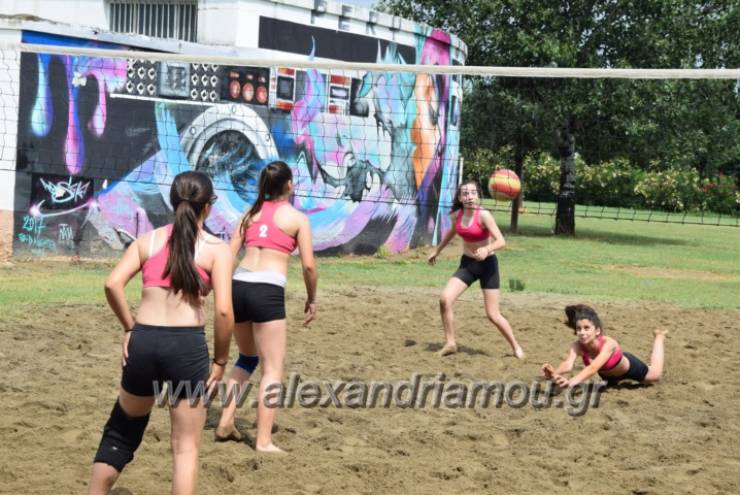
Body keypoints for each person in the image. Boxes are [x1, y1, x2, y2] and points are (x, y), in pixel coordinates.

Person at [88, 171, 233, 494]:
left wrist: (130, 327)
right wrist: (221, 361)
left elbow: (112, 284)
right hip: (186, 347)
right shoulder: (215, 249)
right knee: (185, 449)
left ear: (172, 202)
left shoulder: (148, 241)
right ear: (208, 207)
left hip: (144, 341)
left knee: (121, 432)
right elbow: (224, 311)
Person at [215, 160, 317, 453]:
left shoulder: (249, 213)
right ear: (289, 185)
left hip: (238, 286)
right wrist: (312, 299)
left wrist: (216, 289)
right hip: (267, 290)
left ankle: (225, 422)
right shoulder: (297, 218)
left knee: (247, 358)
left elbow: (227, 254)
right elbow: (309, 266)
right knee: (272, 369)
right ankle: (263, 441)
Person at [427, 180, 524, 359]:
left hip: (488, 266)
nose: (469, 196)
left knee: (493, 314)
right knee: (444, 299)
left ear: (478, 196)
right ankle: (450, 343)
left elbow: (502, 241)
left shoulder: (484, 215)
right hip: (468, 265)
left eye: (473, 193)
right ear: (460, 197)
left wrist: (486, 249)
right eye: (465, 193)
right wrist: (437, 251)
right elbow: (452, 232)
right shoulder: (457, 215)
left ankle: (516, 346)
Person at [542, 304, 667, 388]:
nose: (582, 332)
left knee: (655, 375)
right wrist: (554, 373)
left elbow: (593, 368)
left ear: (597, 330)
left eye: (586, 328)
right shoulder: (577, 345)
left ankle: (659, 337)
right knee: (612, 385)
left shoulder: (609, 344)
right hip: (609, 377)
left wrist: (570, 383)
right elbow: (568, 364)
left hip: (630, 368)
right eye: (579, 329)